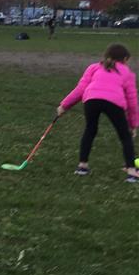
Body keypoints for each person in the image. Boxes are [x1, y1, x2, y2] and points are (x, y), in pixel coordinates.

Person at [57, 43, 138, 183]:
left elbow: (80, 89)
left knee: (90, 130)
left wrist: (64, 106)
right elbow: (132, 101)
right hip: (114, 102)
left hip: (91, 100)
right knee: (125, 135)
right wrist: (133, 124)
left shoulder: (94, 67)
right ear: (125, 59)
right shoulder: (127, 73)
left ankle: (82, 166)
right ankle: (131, 171)